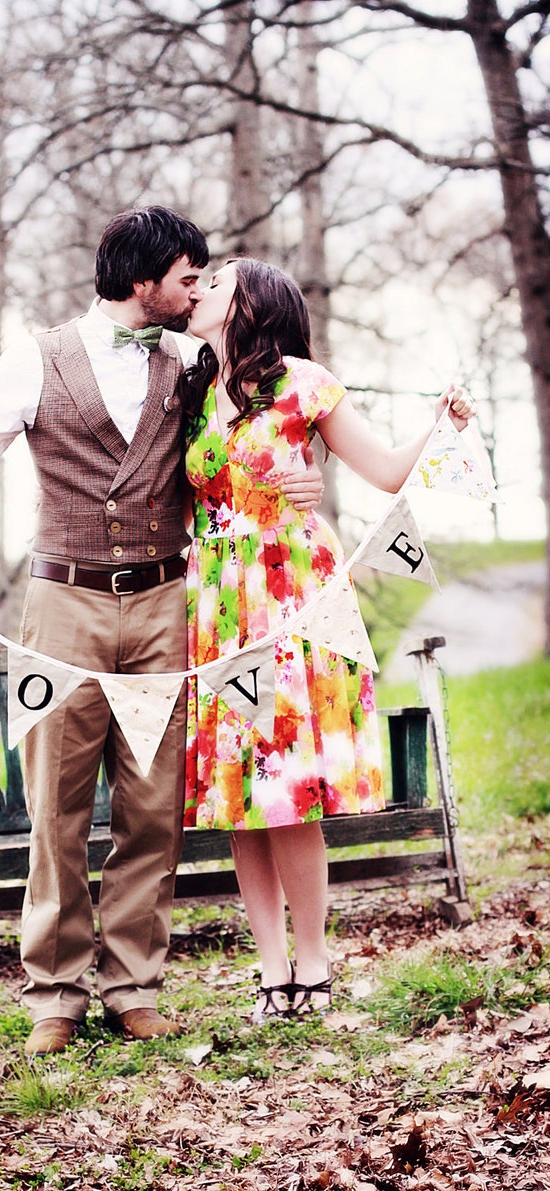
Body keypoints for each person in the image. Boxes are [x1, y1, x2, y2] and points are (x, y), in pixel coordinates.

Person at [0, 208, 324, 1055]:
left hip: (167, 601)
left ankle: (134, 986)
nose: (197, 289)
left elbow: (263, 418)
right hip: (61, 605)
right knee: (56, 801)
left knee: (152, 807)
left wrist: (301, 477)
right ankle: (56, 991)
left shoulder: (194, 359)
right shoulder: (35, 357)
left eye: (205, 278)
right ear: (142, 276)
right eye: (187, 274)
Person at [180, 257, 475, 1021]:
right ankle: (271, 968)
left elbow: (381, 470)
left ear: (251, 302)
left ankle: (313, 965)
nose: (198, 289)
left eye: (214, 281)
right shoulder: (191, 391)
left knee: (290, 789)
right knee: (243, 796)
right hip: (216, 603)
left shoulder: (304, 382)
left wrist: (441, 426)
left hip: (291, 594)